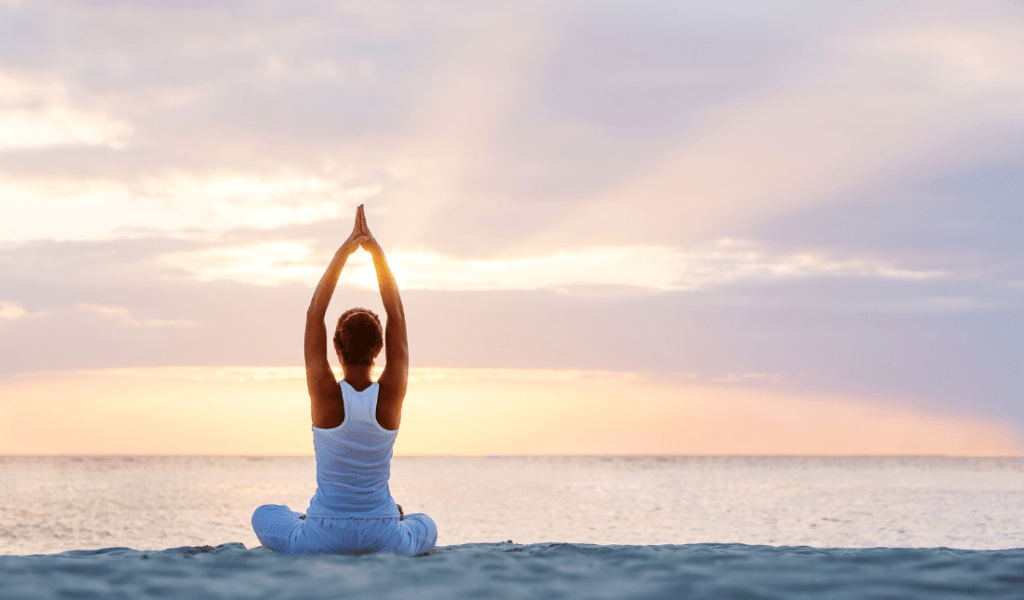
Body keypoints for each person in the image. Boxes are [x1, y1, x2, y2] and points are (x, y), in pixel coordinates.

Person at [251, 205, 437, 556]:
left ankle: (305, 519)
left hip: (323, 533)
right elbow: (396, 313)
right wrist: (376, 254)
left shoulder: (324, 394)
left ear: (335, 346)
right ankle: (390, 516)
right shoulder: (390, 395)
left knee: (264, 514)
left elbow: (314, 314)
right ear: (380, 347)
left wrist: (344, 252)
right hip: (383, 533)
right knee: (426, 524)